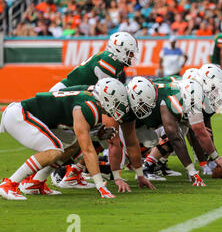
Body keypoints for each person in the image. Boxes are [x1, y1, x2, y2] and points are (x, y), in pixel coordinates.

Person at [0, 78, 129, 200]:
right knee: (54, 150)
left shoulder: (90, 98)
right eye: (116, 102)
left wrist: (95, 134)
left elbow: (77, 131)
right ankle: (9, 184)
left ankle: (35, 183)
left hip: (33, 117)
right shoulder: (87, 108)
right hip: (20, 115)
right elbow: (88, 150)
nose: (118, 106)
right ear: (105, 98)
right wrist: (101, 186)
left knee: (72, 144)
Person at [44, 31, 139, 190]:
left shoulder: (112, 60)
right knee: (104, 135)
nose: (131, 56)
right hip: (64, 99)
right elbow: (107, 94)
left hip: (71, 98)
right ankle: (63, 172)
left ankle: (74, 172)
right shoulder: (110, 62)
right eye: (129, 52)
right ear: (119, 49)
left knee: (97, 135)